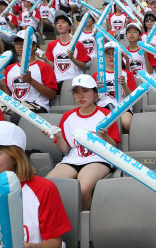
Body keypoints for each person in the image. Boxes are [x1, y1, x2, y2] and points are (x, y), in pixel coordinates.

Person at [46, 75, 121, 210]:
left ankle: (88, 224)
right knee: (48, 185)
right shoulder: (67, 116)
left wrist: (104, 136)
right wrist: (59, 136)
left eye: (85, 90)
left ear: (95, 92)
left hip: (99, 158)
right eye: (76, 91)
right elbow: (64, 149)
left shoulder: (106, 114)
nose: (81, 95)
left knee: (83, 189)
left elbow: (113, 146)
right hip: (73, 159)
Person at [0, 30, 57, 123]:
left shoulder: (44, 67)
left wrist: (31, 81)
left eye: (23, 43)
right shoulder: (9, 68)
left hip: (36, 106)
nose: (19, 46)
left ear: (34, 46)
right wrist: (2, 85)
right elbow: (9, 94)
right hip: (13, 105)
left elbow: (52, 94)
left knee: (16, 118)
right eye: (17, 43)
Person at [92, 42, 136, 134]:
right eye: (108, 53)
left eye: (114, 53)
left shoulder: (127, 74)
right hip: (103, 106)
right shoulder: (97, 75)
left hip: (123, 106)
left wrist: (124, 84)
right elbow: (94, 100)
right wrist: (95, 89)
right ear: (104, 56)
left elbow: (132, 98)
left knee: (127, 124)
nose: (111, 56)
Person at [45, 11, 90, 92]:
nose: (60, 24)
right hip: (58, 81)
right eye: (58, 23)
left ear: (70, 27)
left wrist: (72, 58)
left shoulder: (78, 44)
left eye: (63, 22)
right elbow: (52, 67)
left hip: (74, 81)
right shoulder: (51, 45)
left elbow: (83, 66)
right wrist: (45, 58)